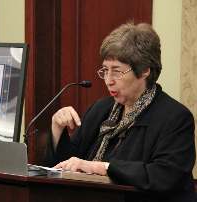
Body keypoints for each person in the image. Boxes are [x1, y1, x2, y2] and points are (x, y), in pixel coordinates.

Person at [50, 23, 196, 202]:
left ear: (144, 71)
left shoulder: (175, 118)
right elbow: (66, 167)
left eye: (117, 71)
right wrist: (57, 129)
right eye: (105, 70)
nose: (108, 80)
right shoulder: (100, 110)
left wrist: (101, 168)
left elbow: (164, 176)